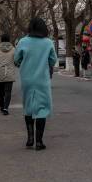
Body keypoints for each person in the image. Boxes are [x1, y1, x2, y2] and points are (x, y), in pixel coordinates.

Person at [14, 17, 57, 150]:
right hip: (42, 80)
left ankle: (30, 139)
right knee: (42, 108)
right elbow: (53, 60)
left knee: (28, 106)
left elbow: (16, 60)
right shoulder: (48, 42)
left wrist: (24, 62)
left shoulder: (22, 41)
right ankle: (39, 141)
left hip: (27, 78)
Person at [0, 34, 16, 115]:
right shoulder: (13, 50)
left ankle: (1, 107)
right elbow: (16, 61)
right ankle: (6, 108)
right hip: (9, 73)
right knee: (8, 92)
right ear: (9, 40)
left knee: (0, 92)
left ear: (1, 40)